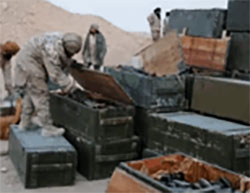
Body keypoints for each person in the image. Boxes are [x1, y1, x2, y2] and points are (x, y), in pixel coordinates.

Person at [14, 32, 84, 137]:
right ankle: (48, 128)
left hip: (29, 60)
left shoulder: (60, 40)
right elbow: (55, 75)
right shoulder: (52, 51)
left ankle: (25, 123)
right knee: (41, 93)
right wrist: (72, 86)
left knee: (31, 92)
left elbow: (62, 60)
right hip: (29, 64)